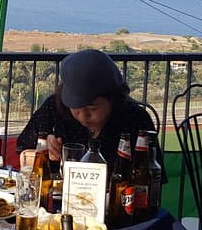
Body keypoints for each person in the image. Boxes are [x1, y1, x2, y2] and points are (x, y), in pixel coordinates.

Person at [16, 49, 166, 181]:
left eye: (92, 108)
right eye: (75, 108)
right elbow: (23, 153)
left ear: (112, 99)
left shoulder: (135, 119)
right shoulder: (55, 107)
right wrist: (42, 151)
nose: (82, 116)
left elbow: (152, 178)